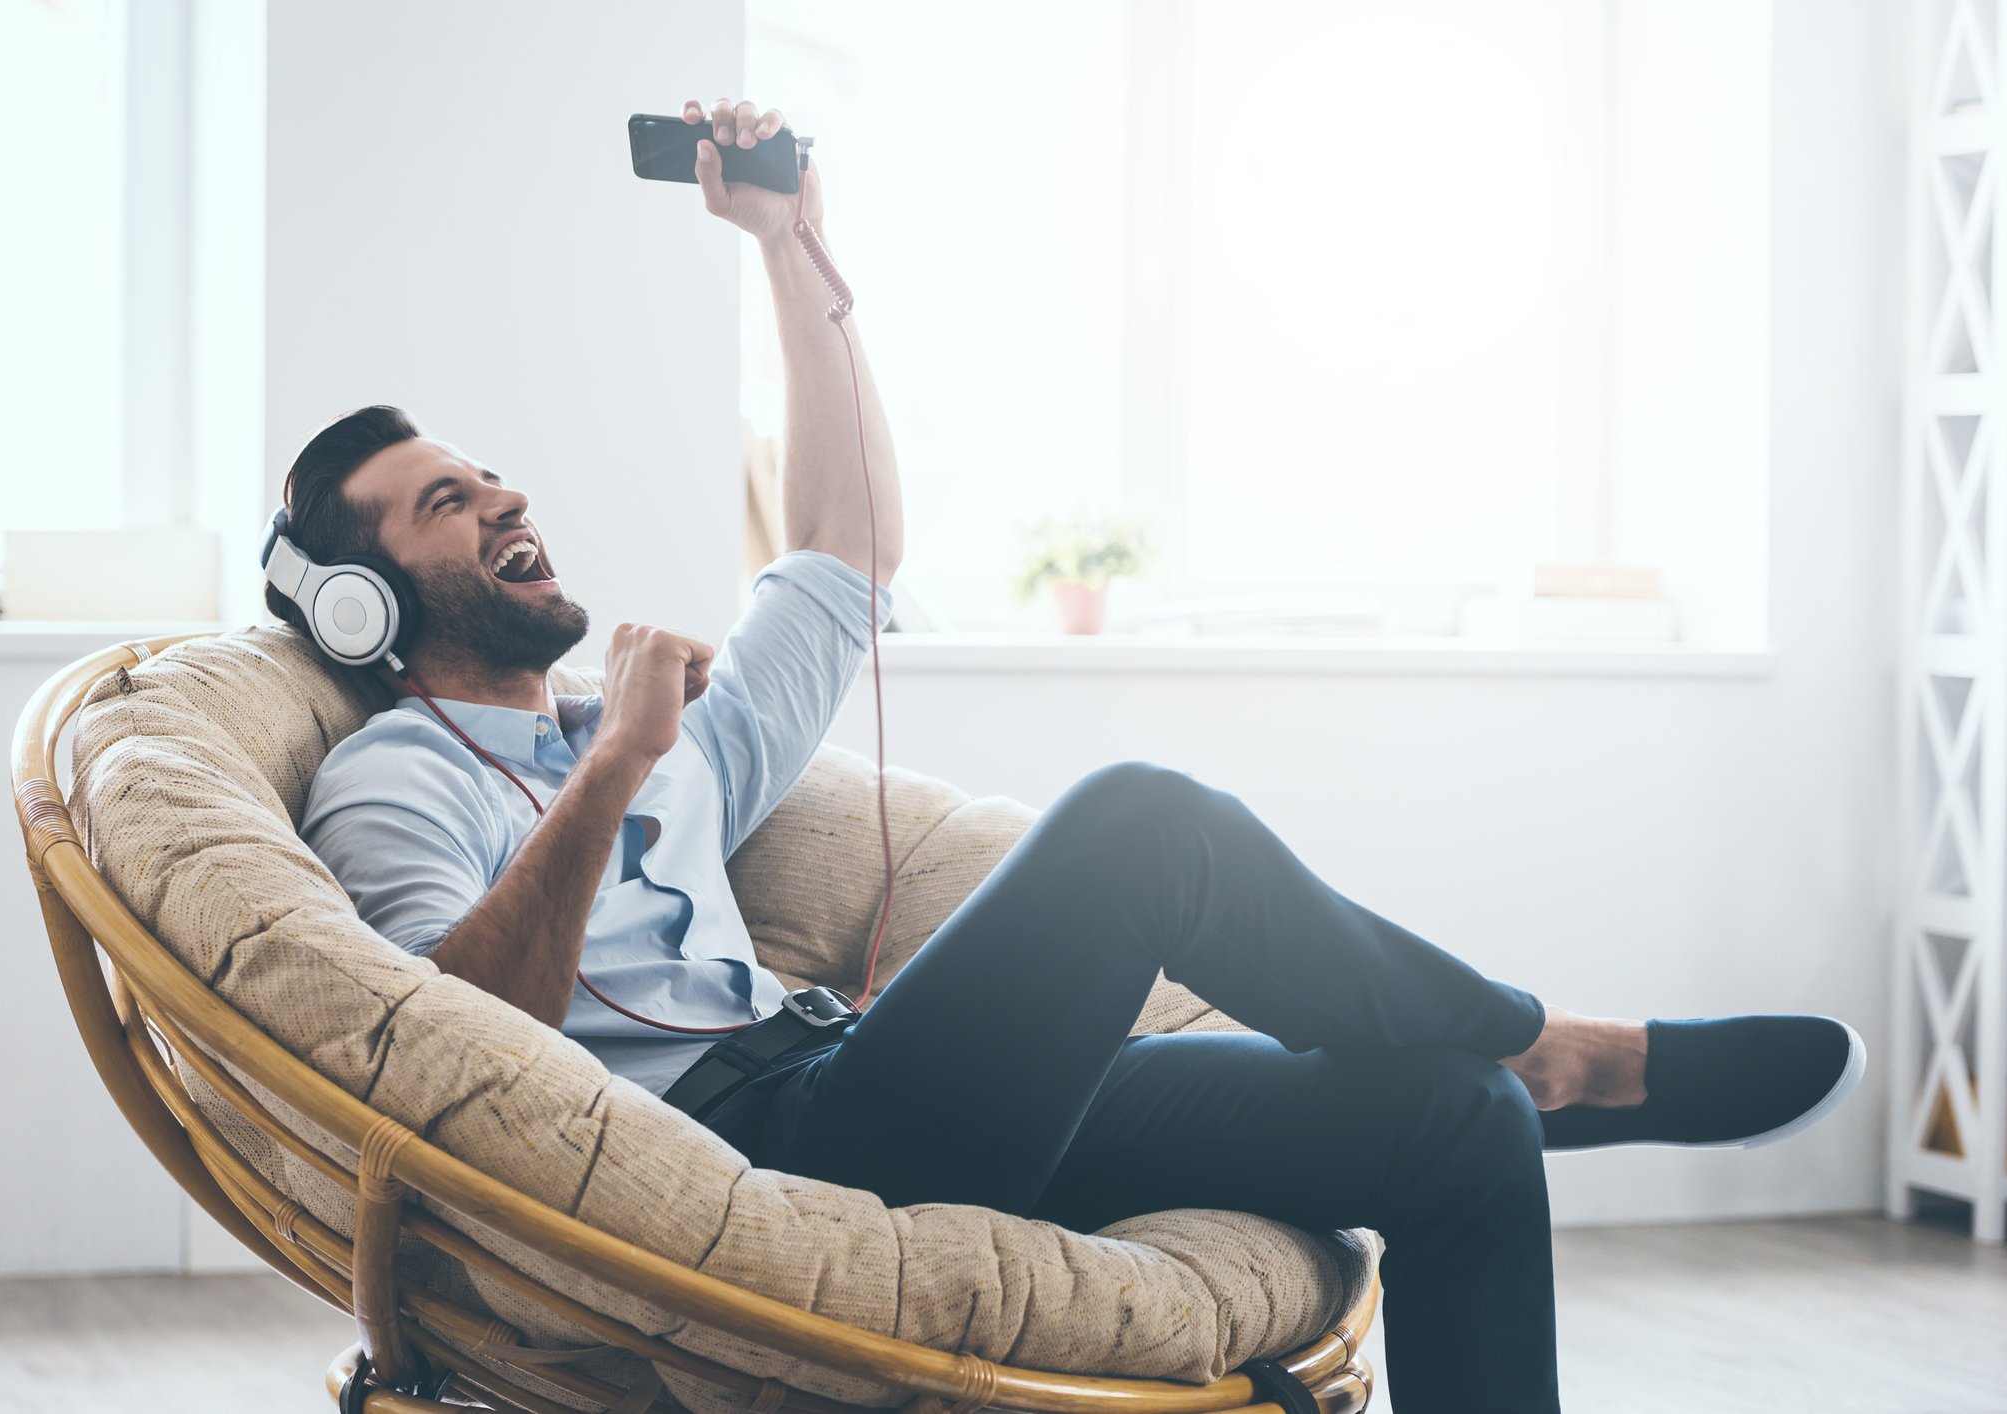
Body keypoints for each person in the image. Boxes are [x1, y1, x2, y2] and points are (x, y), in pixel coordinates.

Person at [281, 98, 1864, 1414]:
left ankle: (1510, 1071)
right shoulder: (392, 777)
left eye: (486, 474)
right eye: (443, 503)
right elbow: (456, 1045)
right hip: (756, 1157)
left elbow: (842, 544)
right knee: (1140, 822)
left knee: (1455, 1128)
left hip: (852, 1076)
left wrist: (787, 246)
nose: (499, 498)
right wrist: (613, 768)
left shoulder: (656, 734)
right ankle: (1550, 1043)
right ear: (366, 603)